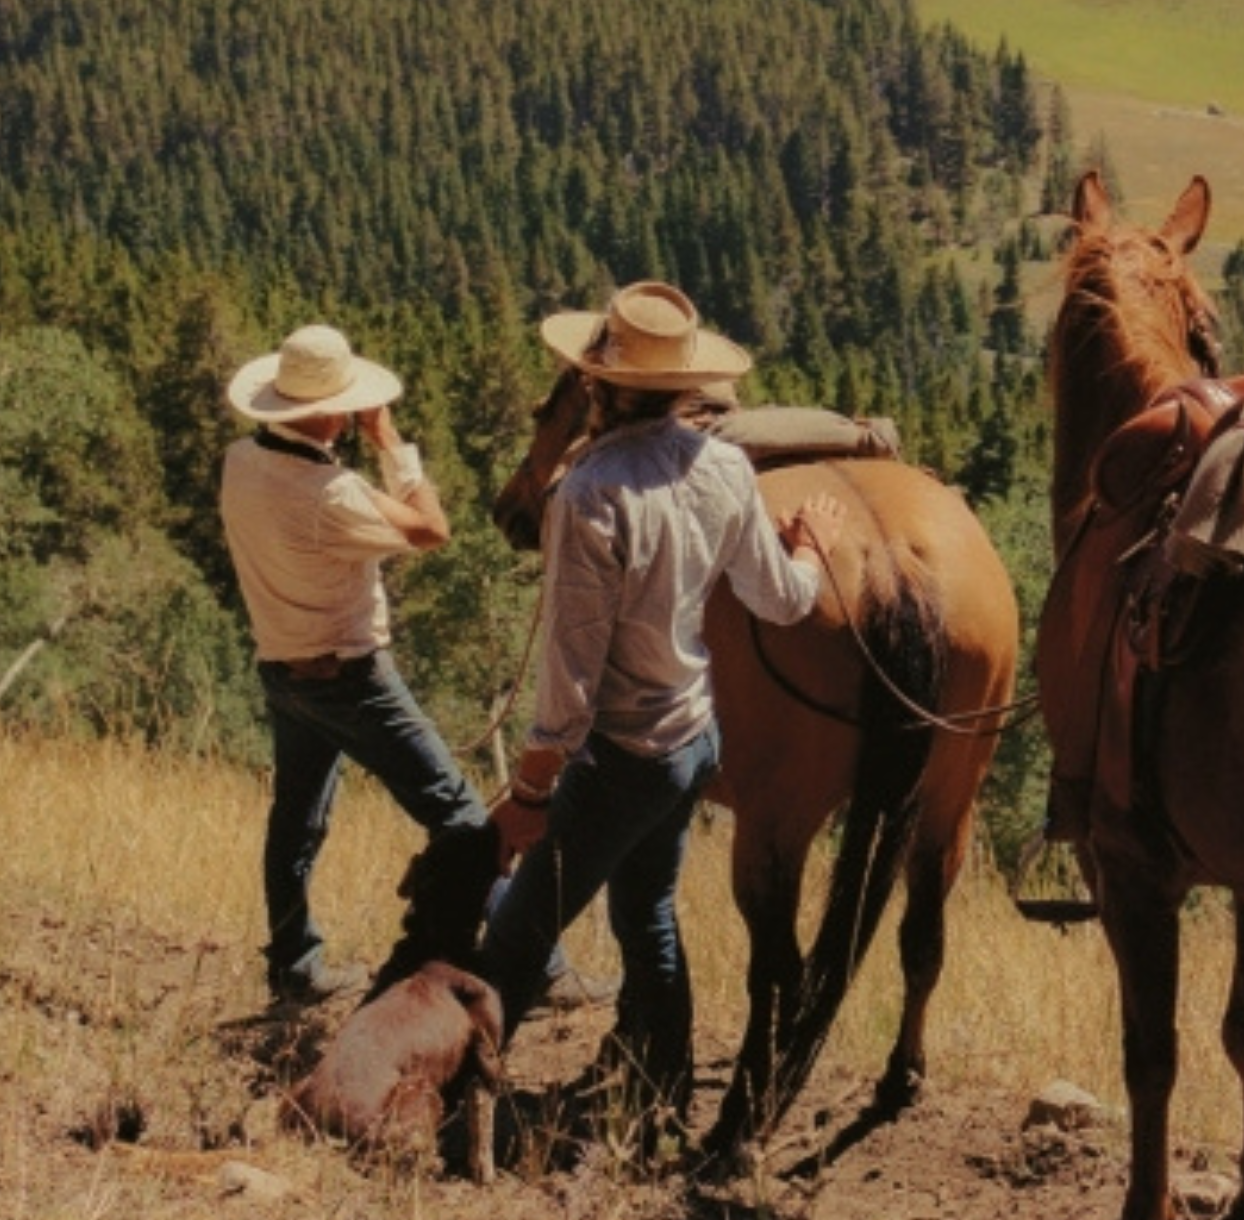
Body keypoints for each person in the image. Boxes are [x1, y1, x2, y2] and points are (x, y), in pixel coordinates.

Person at [475, 280, 845, 1141]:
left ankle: (455, 1098)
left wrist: (531, 792)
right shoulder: (722, 468)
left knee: (520, 932)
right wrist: (813, 550)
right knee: (646, 912)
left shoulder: (588, 493)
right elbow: (784, 601)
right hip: (690, 740)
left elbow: (570, 677)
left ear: (596, 388)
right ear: (686, 388)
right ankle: (666, 1084)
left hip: (619, 755)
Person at [221, 320, 489, 1007]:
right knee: (460, 814)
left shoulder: (241, 462)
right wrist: (391, 444)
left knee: (297, 821)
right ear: (333, 410)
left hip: (283, 668)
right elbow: (431, 528)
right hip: (350, 675)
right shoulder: (330, 493)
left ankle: (294, 965)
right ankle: (525, 961)